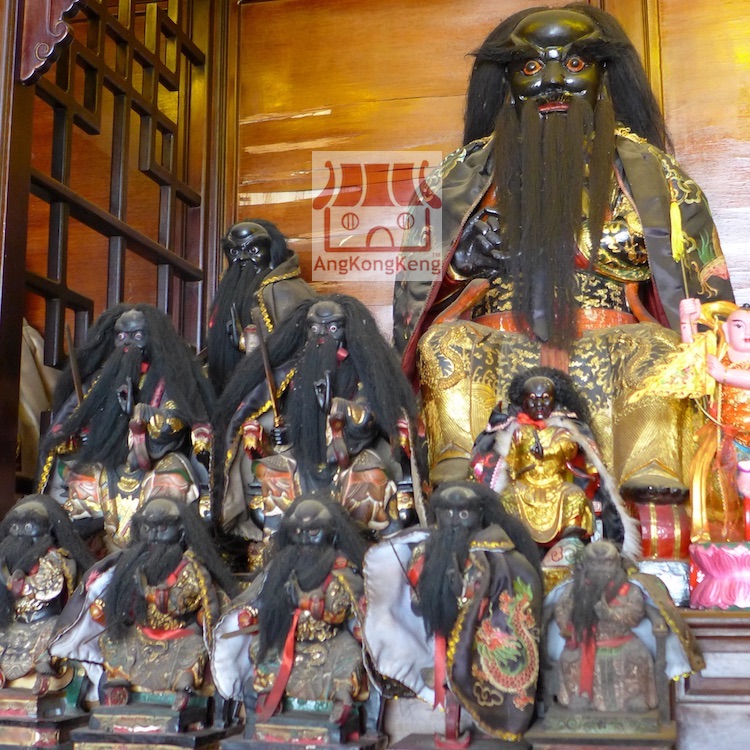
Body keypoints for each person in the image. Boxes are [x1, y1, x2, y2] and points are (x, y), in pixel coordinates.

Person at [393, 4, 734, 503]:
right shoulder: (462, 175)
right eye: (532, 66)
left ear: (603, 75)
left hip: (610, 341)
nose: (553, 82)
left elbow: (692, 281)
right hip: (498, 342)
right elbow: (418, 288)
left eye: (574, 64)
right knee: (445, 346)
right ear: (508, 81)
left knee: (660, 350)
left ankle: (650, 473)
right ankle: (459, 472)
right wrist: (460, 263)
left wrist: (591, 244)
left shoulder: (650, 173)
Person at [214, 294, 424, 566]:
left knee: (370, 476)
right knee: (273, 472)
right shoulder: (292, 374)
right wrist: (280, 433)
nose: (323, 335)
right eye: (314, 328)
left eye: (333, 328)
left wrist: (339, 409)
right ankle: (275, 546)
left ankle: (375, 547)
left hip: (350, 453)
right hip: (301, 454)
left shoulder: (364, 372)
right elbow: (280, 417)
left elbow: (370, 418)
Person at [363, 481, 543, 743]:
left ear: (480, 513)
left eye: (463, 513)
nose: (455, 520)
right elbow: (415, 603)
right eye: (447, 513)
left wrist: (471, 592)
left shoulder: (498, 557)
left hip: (481, 631)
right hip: (438, 634)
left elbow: (506, 593)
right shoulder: (424, 551)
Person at [37, 304, 216, 547]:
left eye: (137, 336)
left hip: (155, 462)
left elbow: (176, 420)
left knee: (173, 479)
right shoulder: (99, 381)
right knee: (80, 480)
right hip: (107, 464)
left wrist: (143, 415)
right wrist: (79, 434)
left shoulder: (170, 380)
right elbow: (67, 422)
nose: (128, 343)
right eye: (121, 337)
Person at [50, 496, 237, 712]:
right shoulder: (130, 563)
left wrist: (149, 593)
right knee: (115, 642)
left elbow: (183, 600)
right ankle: (117, 681)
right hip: (140, 631)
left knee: (194, 650)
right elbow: (118, 596)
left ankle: (184, 690)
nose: (153, 535)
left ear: (181, 532)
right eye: (147, 528)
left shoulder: (189, 567)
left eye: (162, 528)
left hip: (179, 633)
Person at [212, 496, 369, 741]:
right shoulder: (280, 566)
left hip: (331, 640)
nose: (304, 539)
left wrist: (312, 605)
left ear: (331, 534)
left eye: (313, 532)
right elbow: (261, 597)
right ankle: (266, 702)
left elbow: (345, 605)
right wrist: (251, 613)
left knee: (350, 658)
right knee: (260, 652)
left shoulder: (340, 569)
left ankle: (341, 702)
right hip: (287, 639)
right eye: (297, 532)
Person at [470, 367, 639, 559]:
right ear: (522, 400)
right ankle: (516, 541)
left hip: (557, 485)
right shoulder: (512, 430)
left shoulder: (566, 427)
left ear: (554, 400)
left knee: (576, 496)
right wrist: (524, 460)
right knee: (508, 497)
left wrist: (549, 449)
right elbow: (508, 462)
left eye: (545, 399)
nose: (539, 404)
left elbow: (574, 453)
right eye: (532, 399)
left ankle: (570, 545)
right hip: (524, 485)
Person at [547, 540, 703, 713]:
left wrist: (609, 614)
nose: (600, 569)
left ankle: (634, 697)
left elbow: (635, 613)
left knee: (638, 656)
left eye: (606, 563)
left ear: (618, 564)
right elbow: (561, 609)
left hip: (621, 639)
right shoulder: (573, 588)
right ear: (584, 564)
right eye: (594, 564)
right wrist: (573, 620)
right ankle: (580, 696)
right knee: (570, 658)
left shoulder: (629, 589)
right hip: (585, 641)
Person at [206, 219, 316, 395]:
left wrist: (245, 342)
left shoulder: (284, 290)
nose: (242, 258)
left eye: (253, 250)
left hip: (274, 395)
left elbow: (295, 353)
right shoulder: (230, 291)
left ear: (271, 252)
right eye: (234, 251)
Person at [0, 494, 94, 692]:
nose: (20, 534)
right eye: (15, 528)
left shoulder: (55, 559)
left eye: (28, 528)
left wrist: (23, 586)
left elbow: (49, 586)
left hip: (45, 618)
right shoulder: (4, 559)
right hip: (13, 620)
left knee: (56, 634)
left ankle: (44, 662)